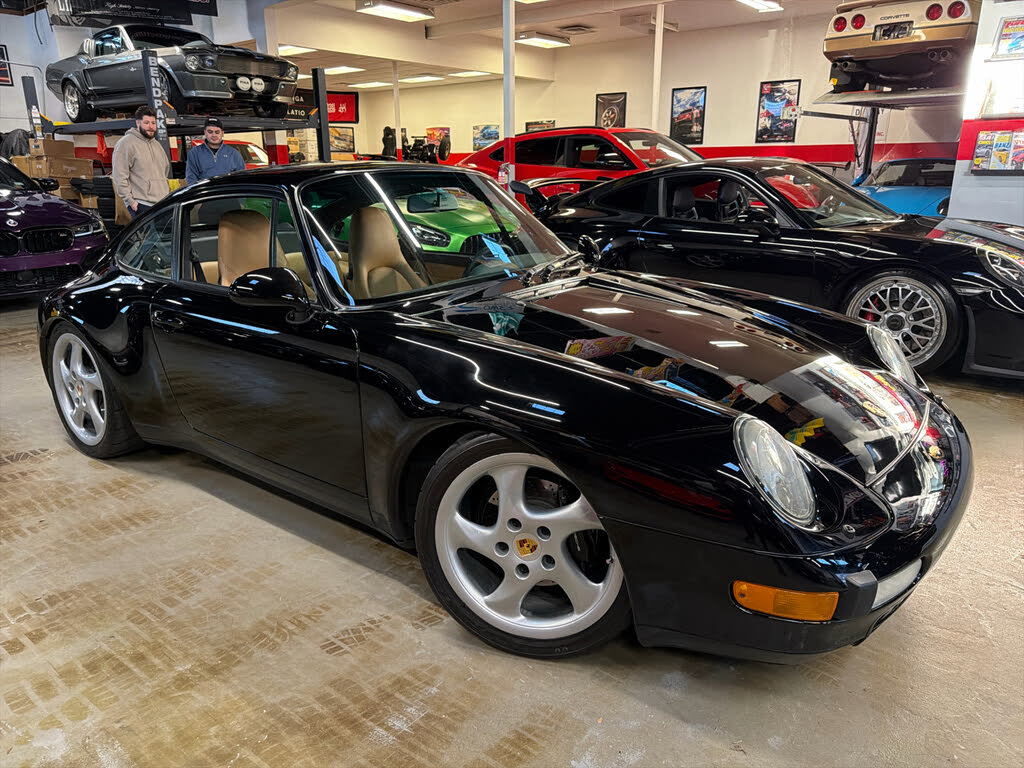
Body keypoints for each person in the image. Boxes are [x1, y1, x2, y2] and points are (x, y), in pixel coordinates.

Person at [111, 106, 170, 220]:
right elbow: (119, 175)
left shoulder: (157, 145)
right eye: (146, 122)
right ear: (138, 123)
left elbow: (165, 171)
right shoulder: (126, 143)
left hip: (161, 204)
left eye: (153, 123)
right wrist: (130, 201)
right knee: (149, 238)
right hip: (141, 204)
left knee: (164, 238)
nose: (151, 126)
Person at [185, 117, 245, 185]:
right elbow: (191, 178)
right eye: (210, 132)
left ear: (222, 133)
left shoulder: (234, 154)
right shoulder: (195, 153)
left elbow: (241, 179)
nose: (214, 135)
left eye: (217, 132)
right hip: (205, 194)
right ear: (205, 132)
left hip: (228, 194)